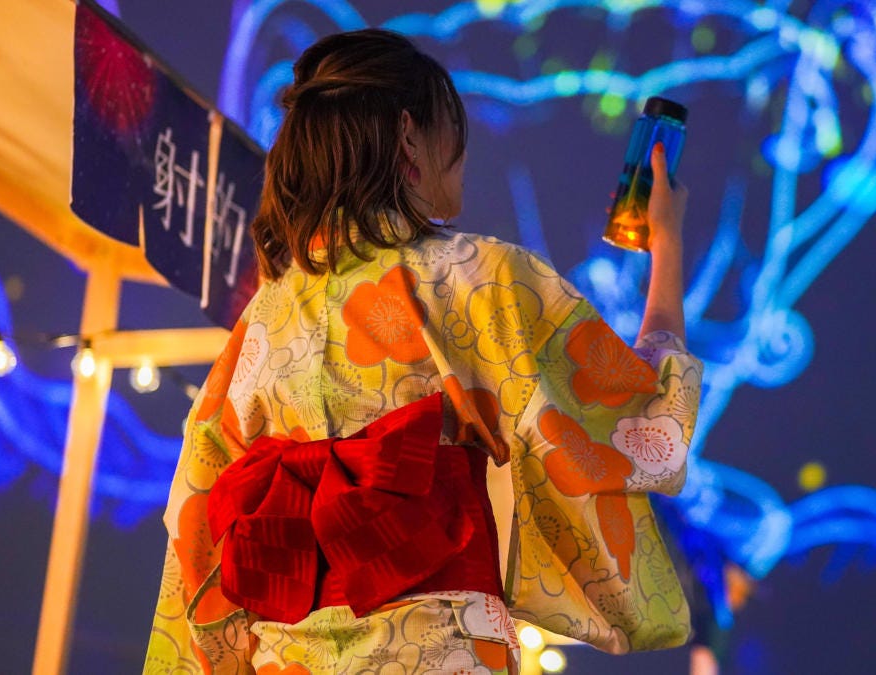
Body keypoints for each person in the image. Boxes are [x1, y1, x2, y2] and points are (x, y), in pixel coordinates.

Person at [145, 28, 702, 674]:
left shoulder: (262, 320)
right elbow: (643, 424)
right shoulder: (475, 278)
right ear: (409, 135)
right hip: (436, 651)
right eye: (451, 130)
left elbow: (195, 510)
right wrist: (667, 243)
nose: (462, 152)